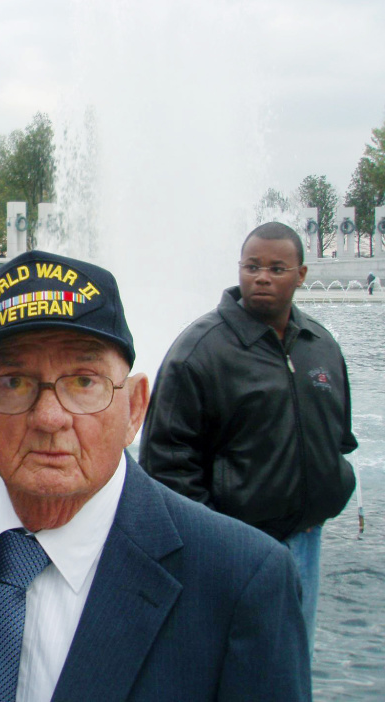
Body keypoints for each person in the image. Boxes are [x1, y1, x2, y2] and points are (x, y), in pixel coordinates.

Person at [0, 250, 310, 702]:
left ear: (136, 407)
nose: (50, 417)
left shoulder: (242, 581)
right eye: (13, 382)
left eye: (84, 382)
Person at [140, 221, 356, 653]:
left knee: (292, 666)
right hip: (239, 549)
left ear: (301, 274)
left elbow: (339, 435)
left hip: (306, 543)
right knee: (239, 669)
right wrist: (214, 543)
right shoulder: (200, 350)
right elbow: (165, 463)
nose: (262, 277)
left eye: (277, 268)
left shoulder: (320, 345)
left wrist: (335, 484)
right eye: (252, 266)